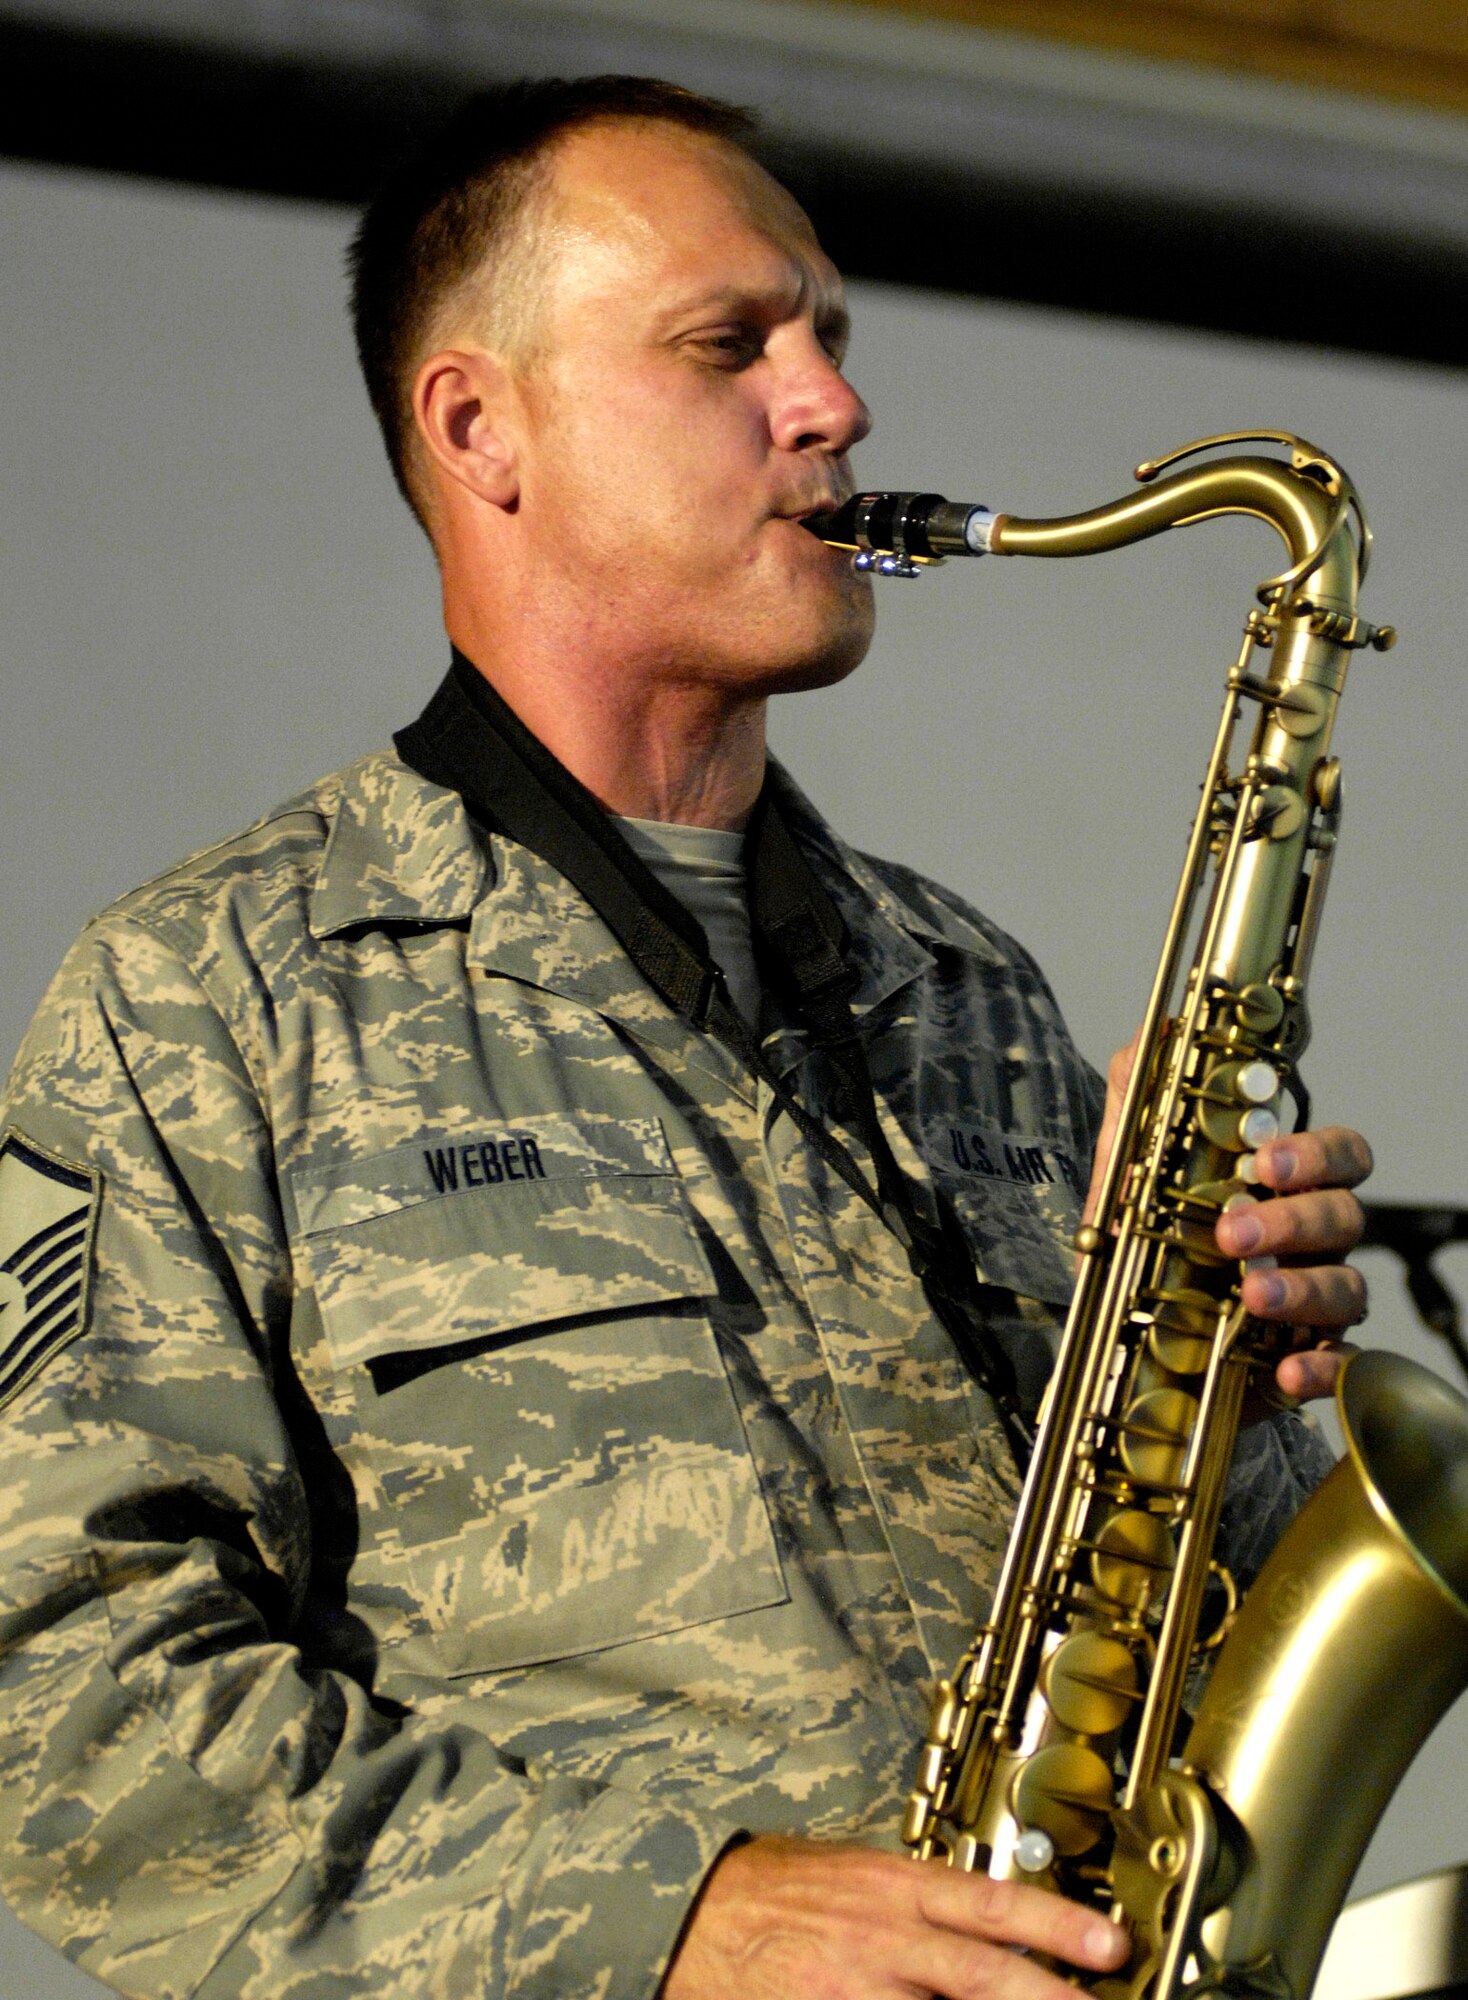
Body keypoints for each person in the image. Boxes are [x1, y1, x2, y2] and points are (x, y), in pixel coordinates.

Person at [0, 77, 1370, 2000]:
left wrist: (1235, 1394)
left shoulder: (970, 992)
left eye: (828, 337)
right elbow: (64, 1700)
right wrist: (674, 1920)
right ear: (482, 429)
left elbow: (1180, 1665)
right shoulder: (203, 1003)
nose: (833, 404)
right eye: (730, 343)